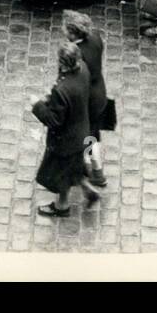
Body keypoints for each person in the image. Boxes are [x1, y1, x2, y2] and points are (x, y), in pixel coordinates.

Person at [31, 41, 101, 217]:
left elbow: (54, 120)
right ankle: (89, 191)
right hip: (81, 130)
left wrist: (37, 106)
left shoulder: (62, 90)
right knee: (74, 167)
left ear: (62, 63)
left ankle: (62, 207)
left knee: (62, 174)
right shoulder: (83, 69)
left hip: (66, 140)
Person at [63, 11, 109, 188]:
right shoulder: (96, 38)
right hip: (99, 92)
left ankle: (96, 172)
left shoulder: (77, 54)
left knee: (89, 136)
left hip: (87, 99)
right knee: (93, 134)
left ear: (73, 33)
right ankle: (92, 168)